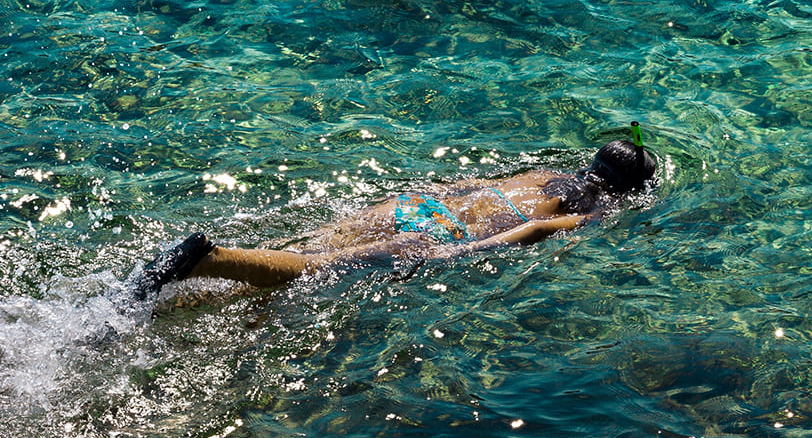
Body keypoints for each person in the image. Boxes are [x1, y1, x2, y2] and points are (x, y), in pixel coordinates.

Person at [131, 134, 657, 301]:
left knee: (312, 243)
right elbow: (538, 229)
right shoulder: (594, 209)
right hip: (442, 231)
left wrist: (416, 196)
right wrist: (462, 252)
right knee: (322, 266)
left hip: (425, 205)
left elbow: (472, 186)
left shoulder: (546, 173)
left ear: (594, 161)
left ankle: (200, 274)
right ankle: (208, 260)